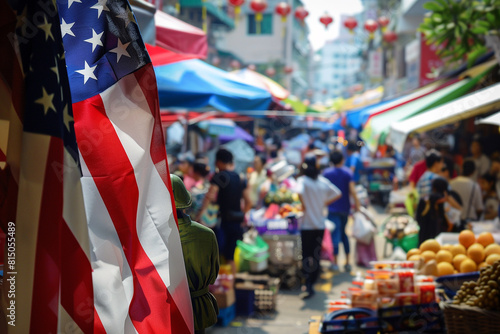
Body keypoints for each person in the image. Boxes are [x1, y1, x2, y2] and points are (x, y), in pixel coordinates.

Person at [170, 174, 219, 334]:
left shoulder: (151, 238)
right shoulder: (207, 234)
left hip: (168, 311)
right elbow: (212, 276)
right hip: (198, 310)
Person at [197, 148, 251, 276]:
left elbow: (210, 196)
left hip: (222, 222)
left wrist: (200, 215)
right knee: (230, 256)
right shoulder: (239, 177)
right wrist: (243, 216)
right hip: (236, 222)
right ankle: (231, 287)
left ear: (219, 162)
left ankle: (217, 287)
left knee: (216, 254)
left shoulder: (220, 176)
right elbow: (249, 201)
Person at [296, 155, 341, 299]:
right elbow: (337, 193)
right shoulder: (322, 182)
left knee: (306, 255)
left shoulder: (303, 181)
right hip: (320, 225)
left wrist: (304, 205)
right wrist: (324, 202)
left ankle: (307, 283)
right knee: (315, 255)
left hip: (307, 225)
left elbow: (298, 191)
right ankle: (312, 282)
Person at [323, 150, 361, 273]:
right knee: (344, 234)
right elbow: (353, 191)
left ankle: (334, 262)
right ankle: (348, 262)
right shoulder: (347, 172)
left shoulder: (326, 173)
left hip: (332, 208)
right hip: (345, 208)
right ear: (342, 160)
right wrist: (357, 205)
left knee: (335, 234)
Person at [416, 178, 452, 245]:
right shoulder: (444, 199)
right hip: (437, 230)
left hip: (424, 229)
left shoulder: (425, 198)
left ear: (434, 187)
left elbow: (418, 216)